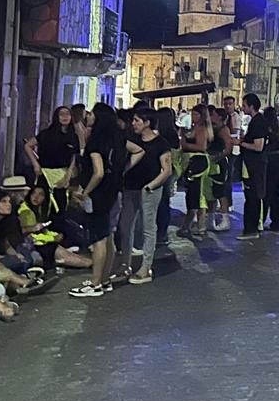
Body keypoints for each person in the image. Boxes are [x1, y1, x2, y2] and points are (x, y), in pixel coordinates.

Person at [69, 105, 123, 298]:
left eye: (91, 113)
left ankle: (95, 283)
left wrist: (86, 191)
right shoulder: (116, 140)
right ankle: (105, 279)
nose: (88, 116)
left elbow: (98, 172)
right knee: (108, 236)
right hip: (112, 192)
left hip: (98, 195)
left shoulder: (96, 143)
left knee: (98, 238)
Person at [118, 108, 170, 284]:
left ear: (147, 123)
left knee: (148, 228)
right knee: (125, 226)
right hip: (130, 188)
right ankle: (125, 264)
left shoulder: (161, 143)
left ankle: (146, 267)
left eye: (137, 120)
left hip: (150, 189)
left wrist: (151, 186)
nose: (133, 124)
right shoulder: (132, 140)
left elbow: (167, 170)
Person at [25, 106, 80, 218]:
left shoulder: (73, 137)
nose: (65, 117)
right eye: (62, 114)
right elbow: (28, 146)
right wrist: (35, 164)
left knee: (60, 203)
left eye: (67, 114)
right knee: (42, 201)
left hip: (62, 175)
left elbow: (74, 157)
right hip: (44, 173)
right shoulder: (46, 134)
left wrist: (68, 176)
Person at [179, 104, 215, 240]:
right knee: (197, 195)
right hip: (199, 162)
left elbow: (201, 146)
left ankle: (194, 226)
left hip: (198, 163)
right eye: (192, 114)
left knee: (196, 196)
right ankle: (198, 226)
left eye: (196, 114)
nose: (193, 117)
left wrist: (185, 145)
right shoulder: (199, 127)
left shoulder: (201, 128)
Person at [239, 93, 271, 240]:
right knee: (251, 196)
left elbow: (258, 146)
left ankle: (252, 229)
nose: (242, 107)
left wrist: (241, 143)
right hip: (251, 164)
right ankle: (252, 227)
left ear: (251, 106)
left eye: (244, 105)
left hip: (255, 165)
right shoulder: (256, 121)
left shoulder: (258, 122)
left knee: (253, 197)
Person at [152, 107, 180, 251]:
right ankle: (162, 233)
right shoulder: (173, 134)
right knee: (164, 202)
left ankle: (160, 232)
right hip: (168, 171)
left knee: (160, 202)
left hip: (161, 171)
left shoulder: (161, 136)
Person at [209, 106, 235, 232]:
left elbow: (228, 147)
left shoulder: (224, 130)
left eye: (213, 114)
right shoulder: (214, 128)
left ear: (219, 117)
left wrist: (217, 157)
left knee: (220, 191)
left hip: (220, 163)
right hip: (214, 161)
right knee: (213, 190)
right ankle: (211, 218)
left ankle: (225, 220)